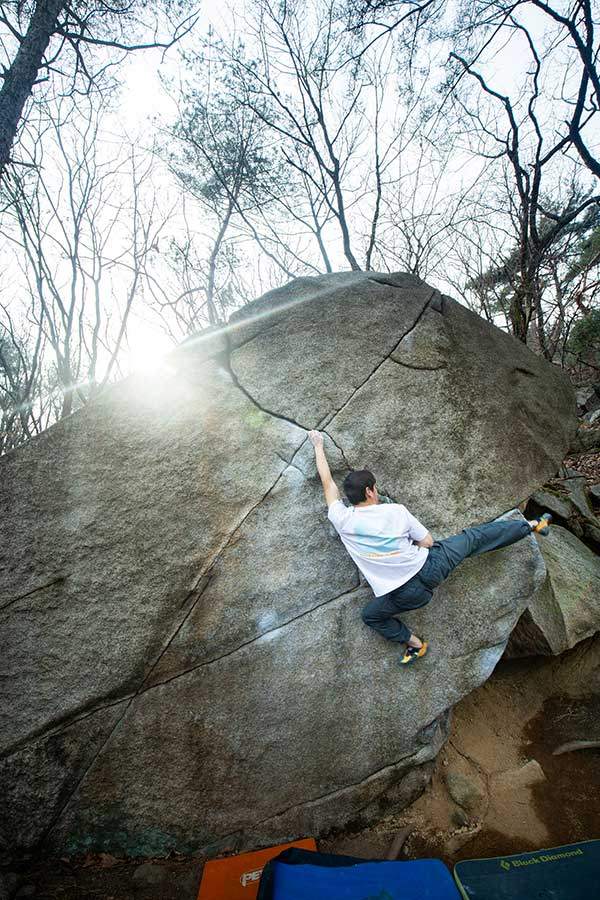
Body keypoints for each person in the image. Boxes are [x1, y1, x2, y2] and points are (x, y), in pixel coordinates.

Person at [308, 430, 551, 665]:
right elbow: (428, 542)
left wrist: (318, 446)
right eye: (376, 488)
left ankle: (415, 644)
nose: (378, 492)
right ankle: (532, 525)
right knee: (474, 538)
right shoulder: (395, 511)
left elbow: (328, 483)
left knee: (371, 616)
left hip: (406, 595)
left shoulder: (342, 519)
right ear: (370, 491)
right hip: (431, 567)